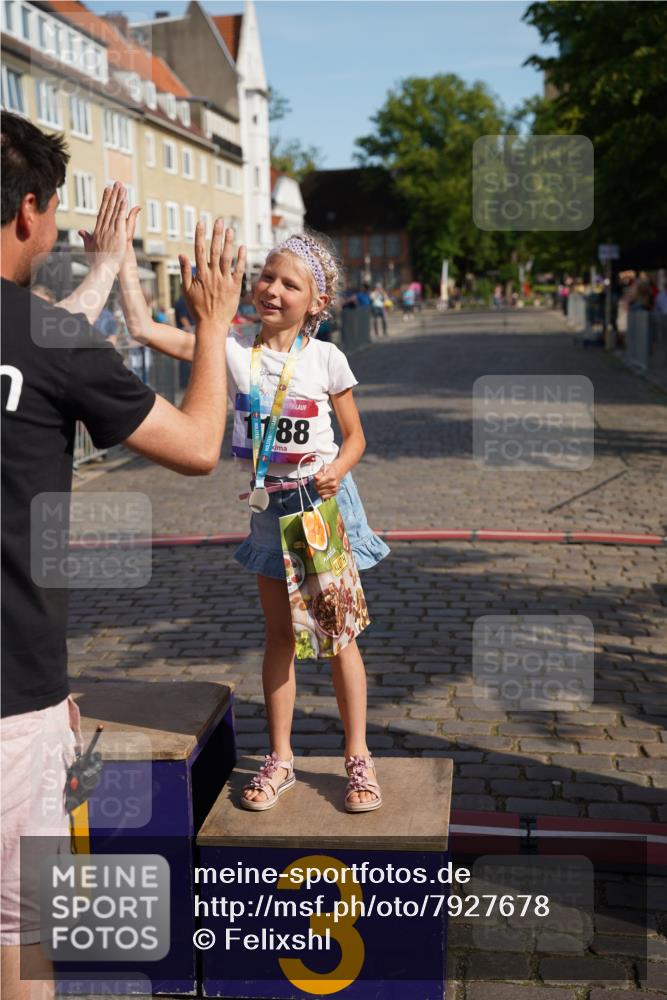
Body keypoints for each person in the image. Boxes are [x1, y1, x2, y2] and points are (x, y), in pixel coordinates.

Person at [0, 111, 245, 1000]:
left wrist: (107, 266)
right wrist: (212, 325)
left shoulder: (46, 334)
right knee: (20, 941)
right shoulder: (44, 338)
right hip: (6, 709)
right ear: (29, 212)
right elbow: (196, 444)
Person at [117, 227, 390, 814]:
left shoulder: (326, 358)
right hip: (270, 518)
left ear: (317, 302)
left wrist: (338, 469)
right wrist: (118, 263)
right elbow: (145, 330)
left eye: (290, 283)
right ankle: (282, 758)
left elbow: (357, 436)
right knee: (280, 638)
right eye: (267, 276)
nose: (272, 288)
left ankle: (358, 756)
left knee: (338, 639)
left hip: (320, 514)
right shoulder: (237, 353)